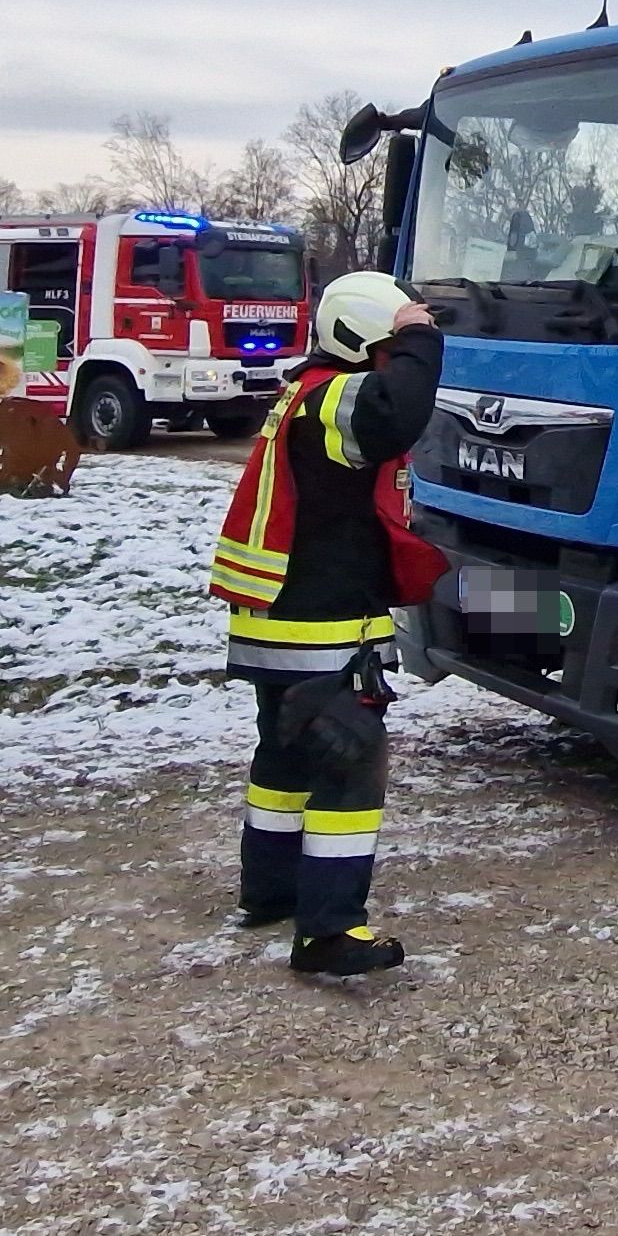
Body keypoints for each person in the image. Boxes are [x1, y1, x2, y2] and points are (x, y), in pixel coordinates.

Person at [207, 269, 444, 978]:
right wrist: (422, 341)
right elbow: (397, 413)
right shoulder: (338, 399)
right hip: (322, 633)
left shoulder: (305, 392)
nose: (391, 364)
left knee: (283, 764)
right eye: (387, 348)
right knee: (346, 774)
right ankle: (328, 931)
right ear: (364, 345)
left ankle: (270, 890)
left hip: (280, 624)